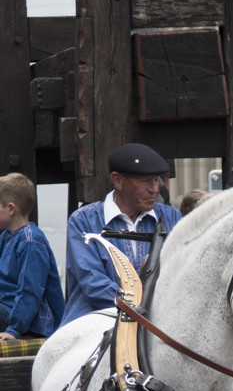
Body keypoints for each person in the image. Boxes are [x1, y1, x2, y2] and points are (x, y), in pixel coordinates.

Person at [61, 143, 182, 325]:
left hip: (160, 322)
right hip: (95, 322)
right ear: (117, 180)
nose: (155, 189)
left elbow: (181, 271)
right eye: (145, 181)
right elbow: (92, 281)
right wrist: (138, 306)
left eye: (156, 180)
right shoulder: (83, 221)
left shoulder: (171, 217)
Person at [0, 172, 64, 341]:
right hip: (7, 308)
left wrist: (14, 330)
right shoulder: (6, 236)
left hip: (30, 320)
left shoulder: (31, 241)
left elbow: (30, 290)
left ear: (11, 209)